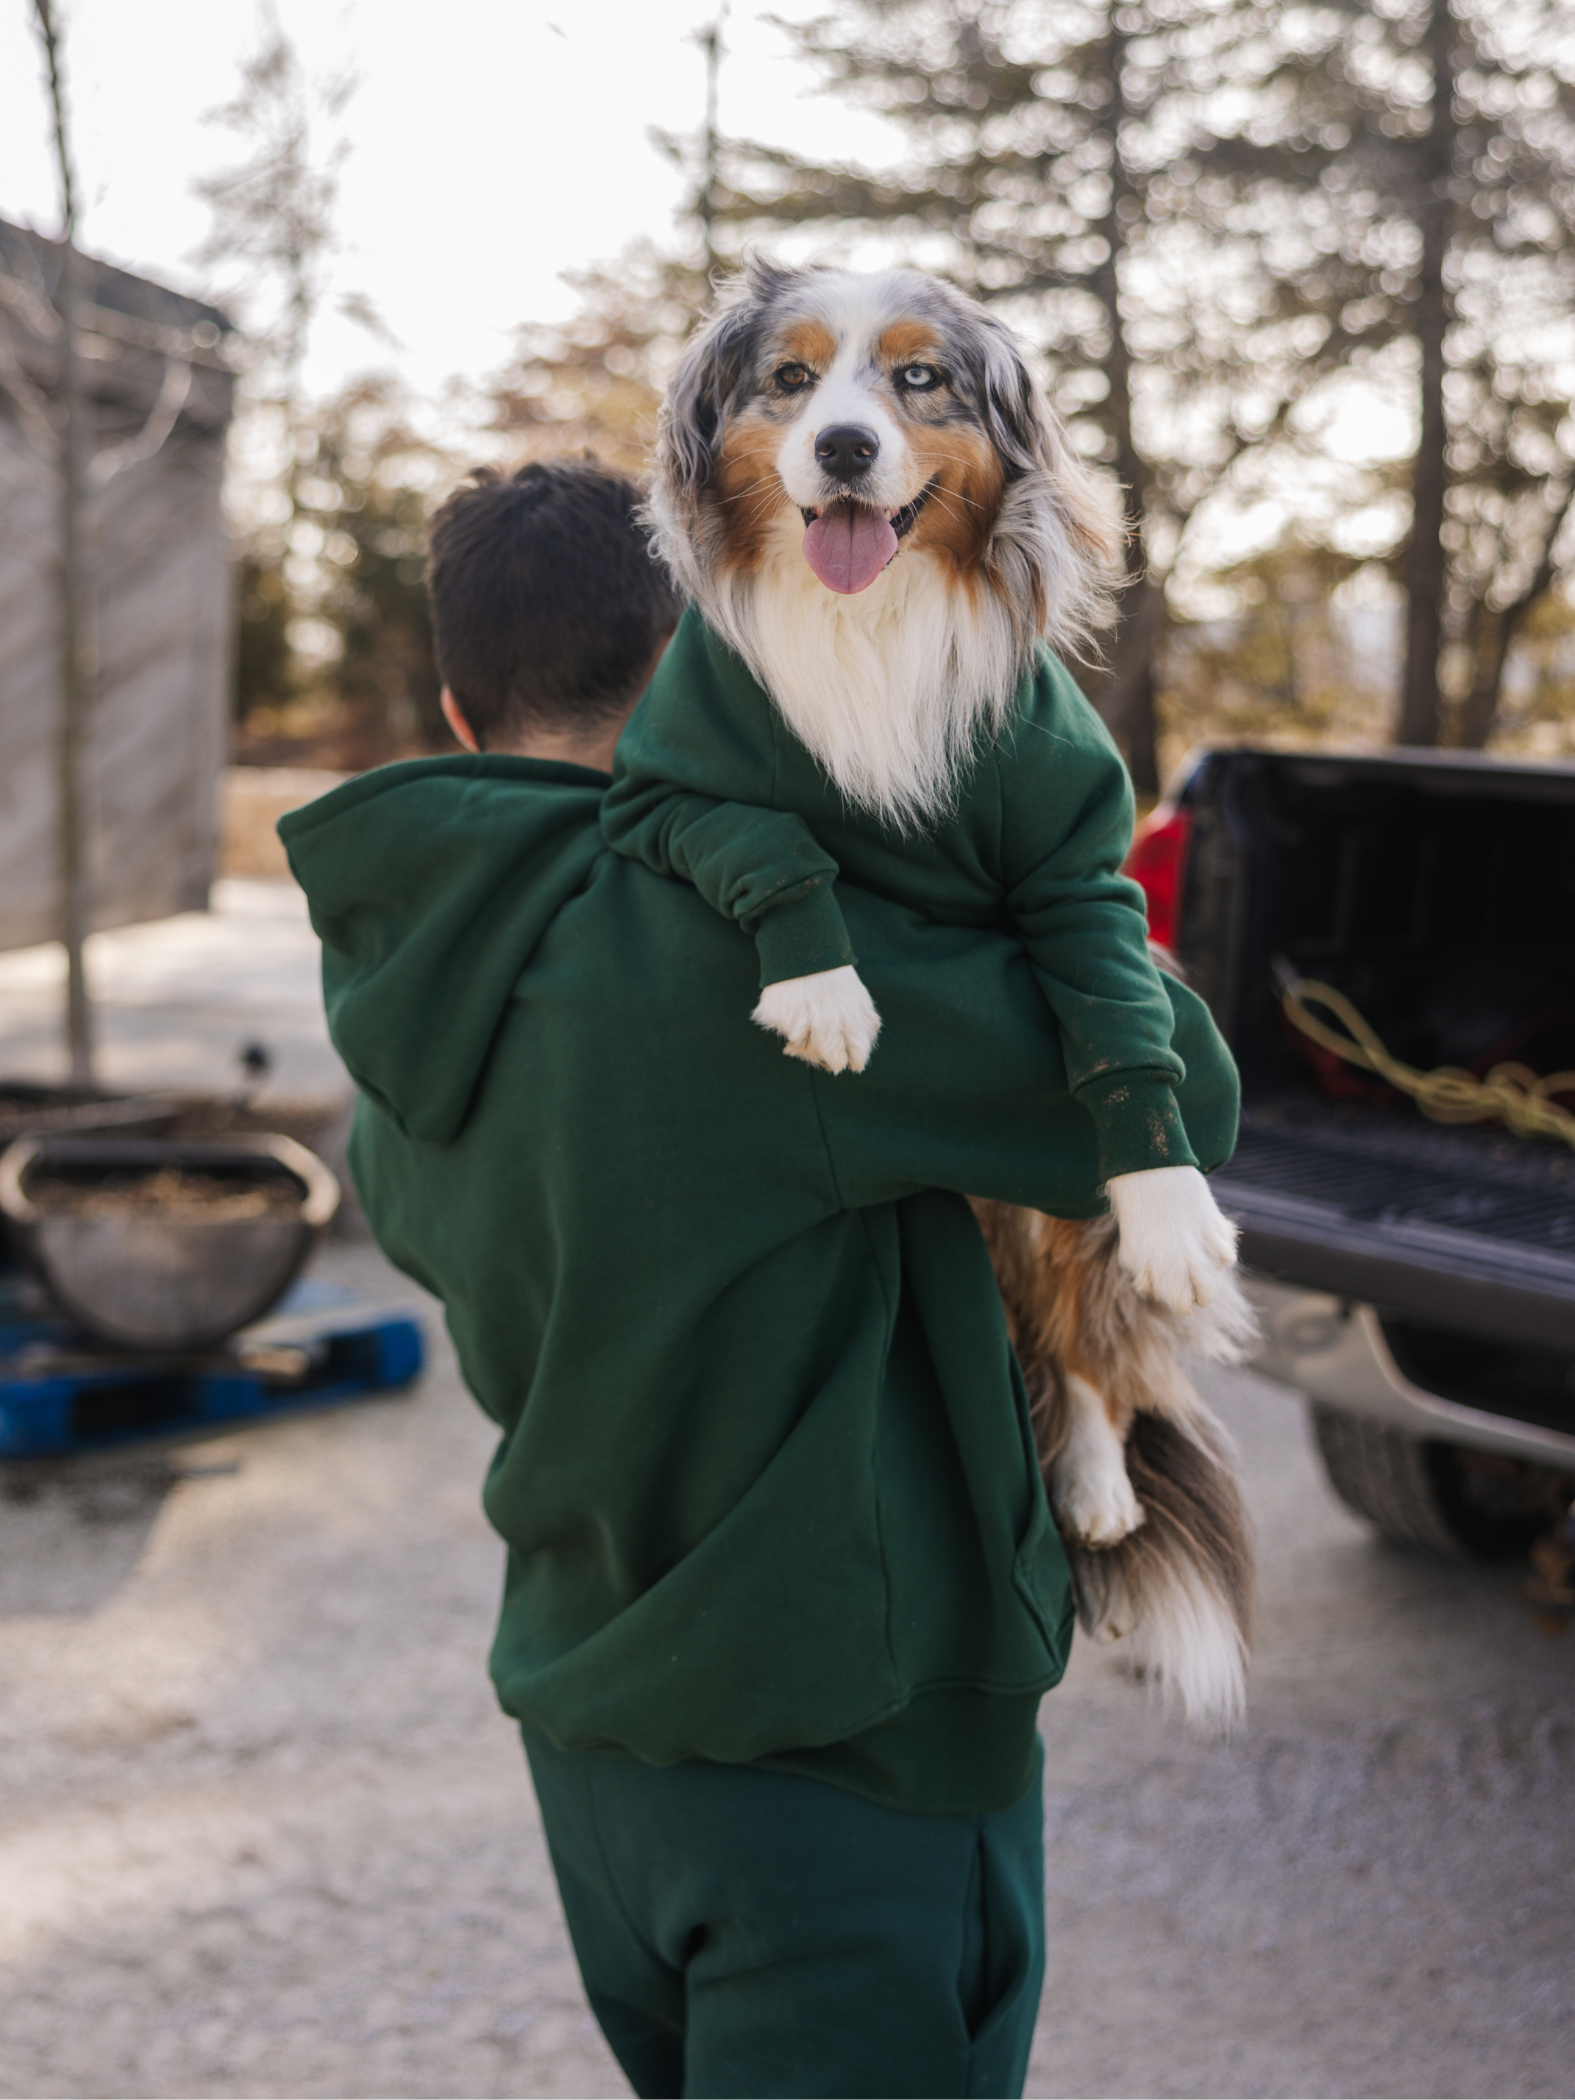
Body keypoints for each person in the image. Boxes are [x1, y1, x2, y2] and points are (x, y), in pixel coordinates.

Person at [281, 456, 1239, 2100]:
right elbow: (1182, 1101)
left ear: (454, 708)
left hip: (603, 1751)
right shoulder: (754, 964)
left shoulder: (401, 985)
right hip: (840, 1765)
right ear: (719, 660)